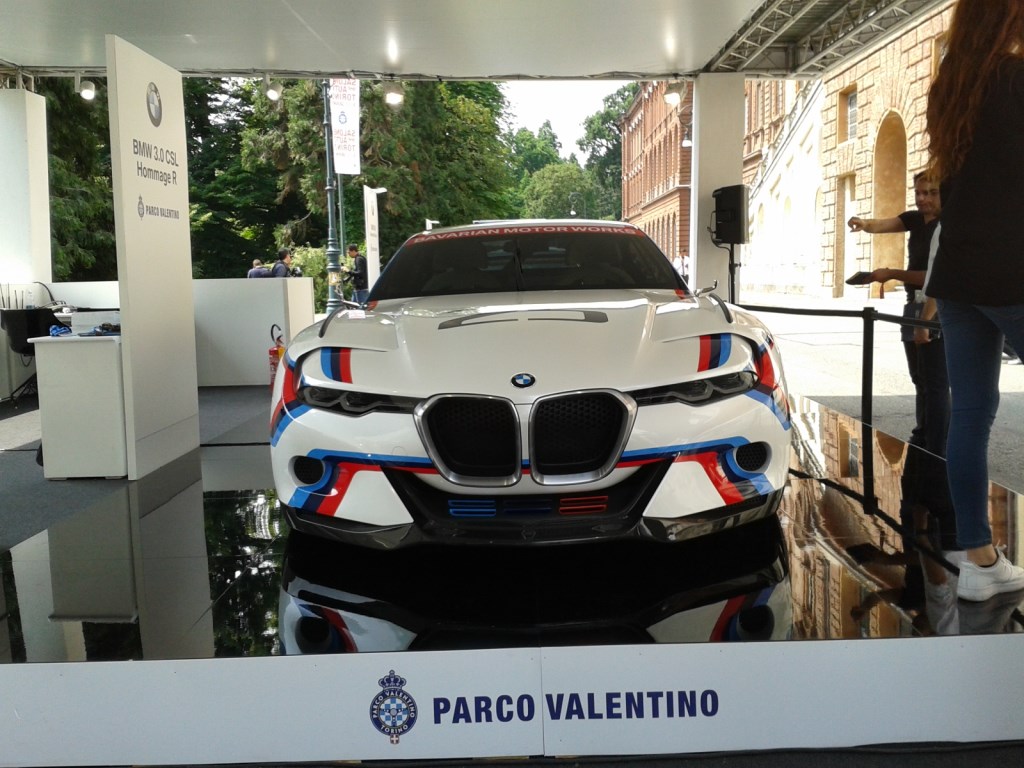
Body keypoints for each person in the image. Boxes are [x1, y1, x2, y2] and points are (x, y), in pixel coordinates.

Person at [923, 0, 1024, 601]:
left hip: (959, 275)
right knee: (971, 414)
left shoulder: (949, 86)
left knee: (970, 416)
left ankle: (980, 562)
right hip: (1012, 271)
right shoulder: (1016, 79)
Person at [847, 172, 948, 457]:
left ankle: (937, 446)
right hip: (912, 303)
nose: (923, 198)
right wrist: (863, 223)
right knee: (919, 377)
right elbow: (883, 224)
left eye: (931, 192)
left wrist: (892, 273)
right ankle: (923, 433)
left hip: (935, 306)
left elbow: (934, 277)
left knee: (935, 382)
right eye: (919, 192)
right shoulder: (916, 219)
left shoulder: (948, 224)